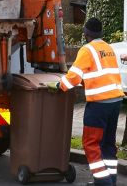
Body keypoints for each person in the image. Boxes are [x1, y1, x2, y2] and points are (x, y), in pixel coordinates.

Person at [48, 18, 124, 186]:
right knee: (108, 142)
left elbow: (73, 77)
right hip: (116, 101)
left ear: (86, 33)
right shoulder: (108, 48)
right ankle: (110, 179)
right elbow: (101, 74)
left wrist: (58, 86)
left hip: (99, 104)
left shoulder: (87, 50)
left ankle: (102, 181)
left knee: (91, 142)